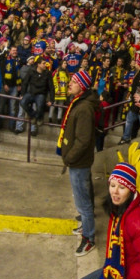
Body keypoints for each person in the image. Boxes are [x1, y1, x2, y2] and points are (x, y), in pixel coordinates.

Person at [59, 69, 100, 256]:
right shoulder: (79, 103)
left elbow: (83, 141)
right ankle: (85, 225)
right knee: (82, 200)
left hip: (79, 162)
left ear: (82, 87)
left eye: (74, 82)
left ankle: (89, 238)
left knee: (83, 202)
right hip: (77, 161)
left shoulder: (83, 108)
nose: (70, 84)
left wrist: (69, 157)